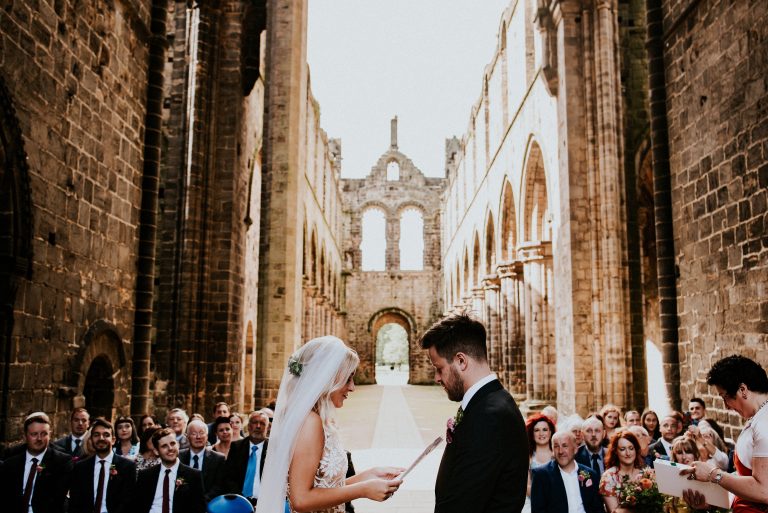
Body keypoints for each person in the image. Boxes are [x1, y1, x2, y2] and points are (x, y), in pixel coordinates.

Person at [256, 336, 403, 513]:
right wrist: (363, 490)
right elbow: (301, 499)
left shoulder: (316, 418)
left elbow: (324, 488)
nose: (352, 387)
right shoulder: (310, 422)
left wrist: (367, 476)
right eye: (348, 379)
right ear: (327, 379)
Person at [420, 313, 528, 513]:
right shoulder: (494, 400)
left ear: (461, 361)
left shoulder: (489, 416)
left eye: (439, 368)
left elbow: (464, 502)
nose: (436, 378)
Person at [680, 355, 768, 511]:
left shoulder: (764, 422)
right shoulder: (757, 418)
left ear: (742, 390)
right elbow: (744, 481)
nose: (726, 406)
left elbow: (764, 491)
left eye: (725, 397)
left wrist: (713, 474)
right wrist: (711, 502)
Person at [0, 413, 73, 513]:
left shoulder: (62, 462)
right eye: (34, 434)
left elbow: (57, 499)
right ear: (25, 435)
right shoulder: (10, 464)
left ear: (50, 435)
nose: (39, 438)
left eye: (44, 434)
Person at [69, 418, 137, 513]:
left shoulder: (127, 467)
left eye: (106, 435)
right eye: (96, 435)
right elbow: (75, 501)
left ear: (113, 440)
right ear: (91, 439)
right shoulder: (81, 467)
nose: (101, 438)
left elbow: (128, 501)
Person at [131, 427, 206, 513]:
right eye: (164, 446)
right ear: (156, 451)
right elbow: (137, 506)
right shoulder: (145, 475)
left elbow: (199, 509)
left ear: (178, 445)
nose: (170, 448)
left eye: (173, 443)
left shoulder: (193, 475)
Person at [530, 431, 603, 513]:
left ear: (575, 449)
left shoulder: (590, 474)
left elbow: (598, 509)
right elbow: (538, 510)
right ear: (553, 451)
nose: (560, 451)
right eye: (556, 446)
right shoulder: (541, 475)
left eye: (565, 446)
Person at [598, 431, 651, 513]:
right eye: (622, 449)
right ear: (616, 451)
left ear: (636, 450)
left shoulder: (645, 473)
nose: (628, 453)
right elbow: (614, 511)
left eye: (631, 448)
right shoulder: (609, 477)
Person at [180, 419, 225, 502]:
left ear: (207, 436)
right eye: (194, 433)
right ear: (187, 437)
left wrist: (201, 502)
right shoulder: (179, 457)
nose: (198, 437)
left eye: (201, 433)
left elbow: (218, 486)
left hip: (208, 504)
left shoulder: (218, 459)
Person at [523, 413, 555, 512]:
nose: (541, 433)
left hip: (556, 500)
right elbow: (526, 485)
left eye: (545, 430)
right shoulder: (528, 457)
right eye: (537, 430)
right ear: (532, 434)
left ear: (550, 432)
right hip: (532, 501)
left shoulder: (557, 455)